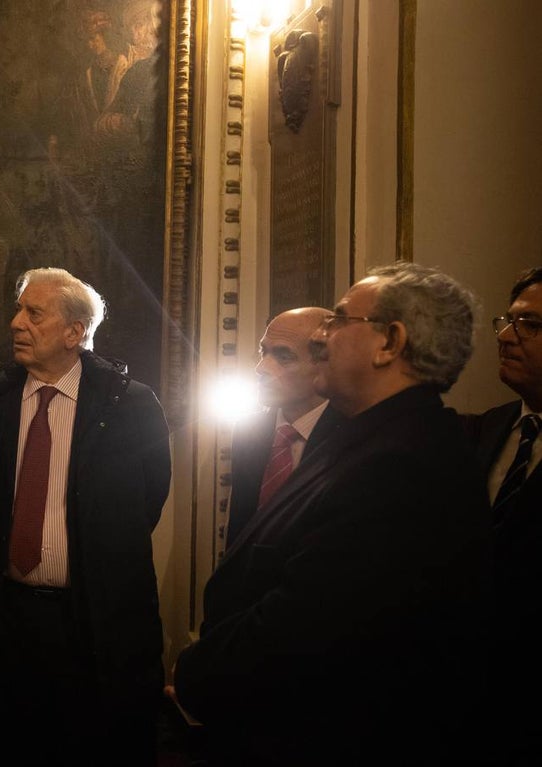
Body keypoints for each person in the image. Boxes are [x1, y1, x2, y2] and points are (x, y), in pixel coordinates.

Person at [170, 263, 494, 766]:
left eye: (340, 320)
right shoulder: (366, 438)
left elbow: (304, 625)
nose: (322, 336)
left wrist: (194, 673)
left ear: (389, 343)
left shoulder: (402, 463)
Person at [0, 267, 172, 766]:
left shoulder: (130, 406)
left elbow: (147, 503)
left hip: (93, 624)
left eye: (34, 313)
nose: (16, 323)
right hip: (6, 619)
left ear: (76, 332)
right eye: (18, 310)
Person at [462, 265, 542, 764]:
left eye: (531, 325)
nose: (507, 338)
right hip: (467, 699)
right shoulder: (486, 430)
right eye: (507, 322)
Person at [225, 306, 344, 545]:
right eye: (263, 352)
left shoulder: (351, 434)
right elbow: (241, 528)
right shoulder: (249, 431)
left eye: (284, 356)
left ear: (324, 365)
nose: (261, 368)